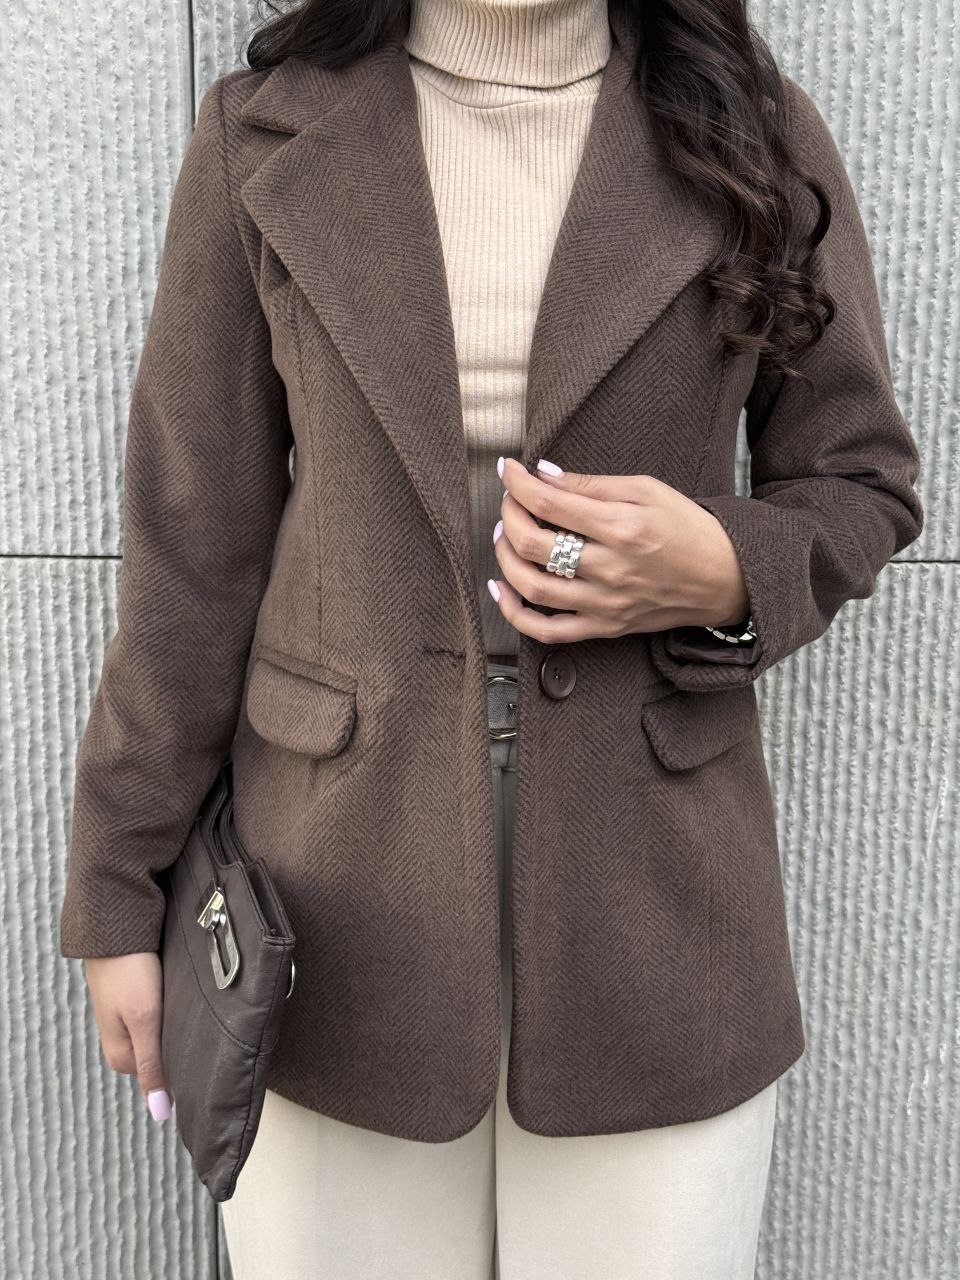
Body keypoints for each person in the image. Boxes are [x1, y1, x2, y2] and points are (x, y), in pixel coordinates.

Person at [58, 0, 924, 1276]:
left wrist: (722, 566)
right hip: (332, 908)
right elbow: (193, 552)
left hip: (657, 911)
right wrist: (117, 889)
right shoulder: (264, 133)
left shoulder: (751, 129)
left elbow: (860, 479)